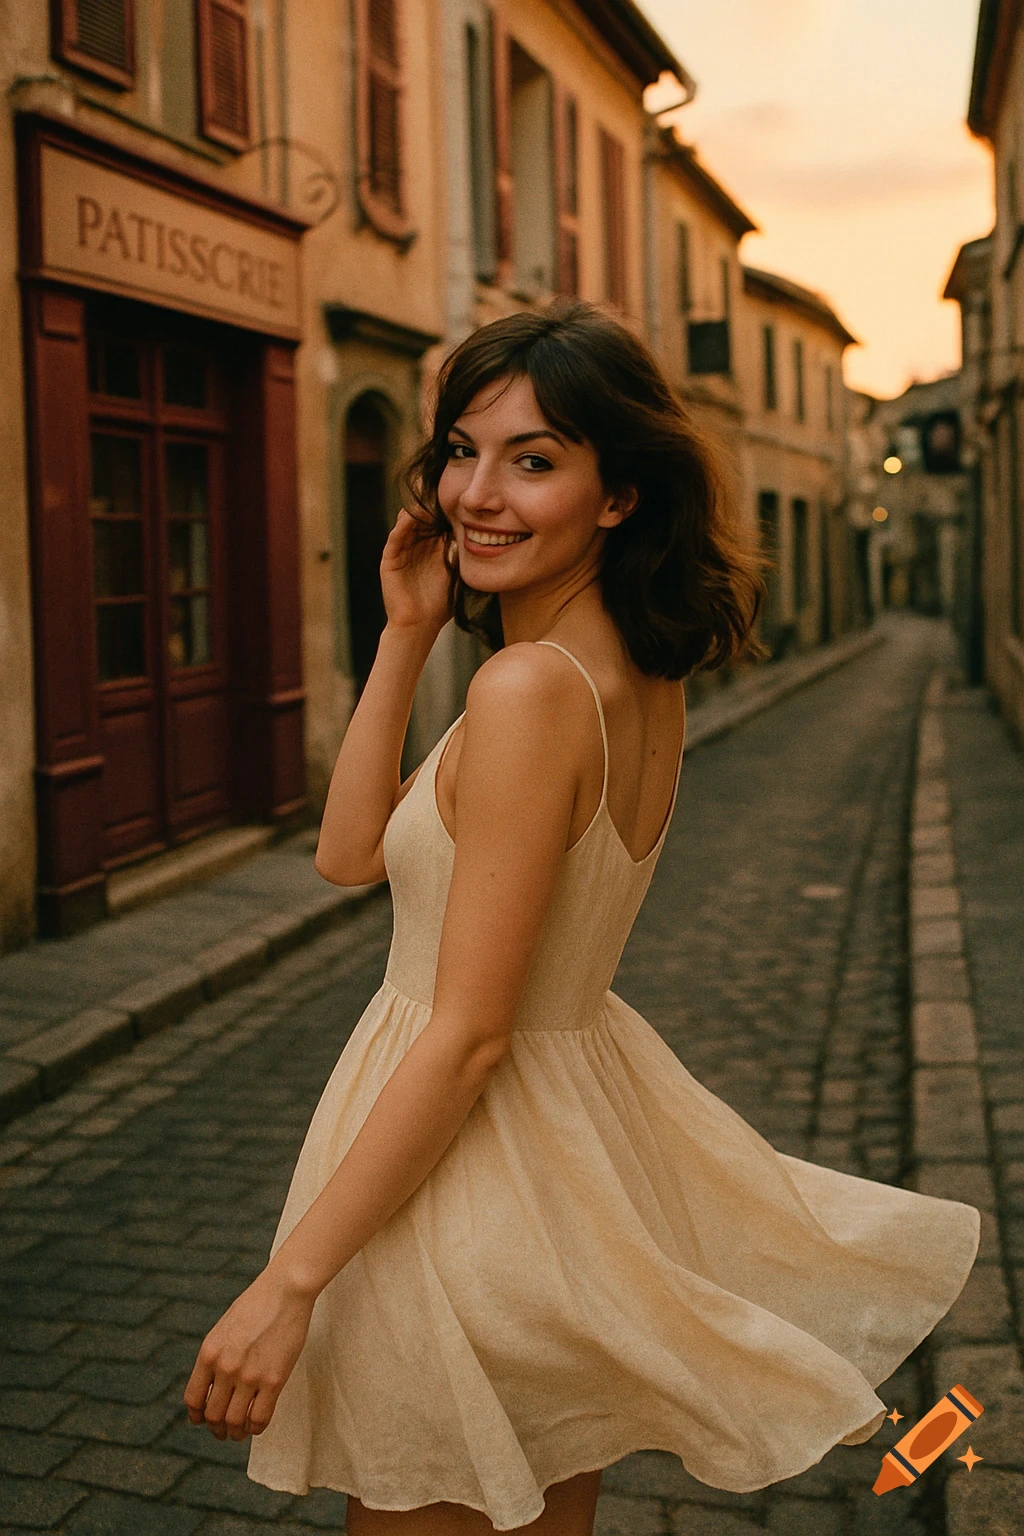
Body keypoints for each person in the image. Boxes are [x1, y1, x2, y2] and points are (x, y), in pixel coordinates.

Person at [184, 300, 980, 1536]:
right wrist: (403, 634)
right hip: (556, 1173)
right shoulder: (623, 673)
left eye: (535, 459)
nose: (476, 495)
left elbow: (467, 1034)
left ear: (617, 497)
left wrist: (290, 1285)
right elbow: (350, 856)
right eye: (461, 450)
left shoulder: (529, 691)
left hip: (462, 1193)